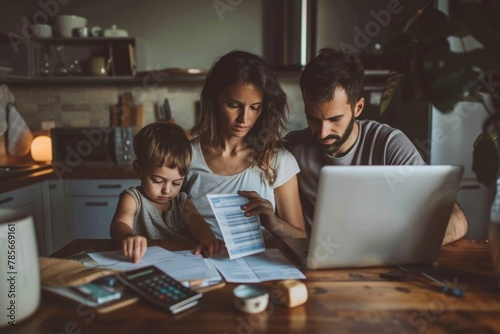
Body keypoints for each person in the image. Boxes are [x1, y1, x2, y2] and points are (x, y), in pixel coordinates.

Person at [284, 47, 468, 245]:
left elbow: (456, 220)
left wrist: (400, 247)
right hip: (315, 264)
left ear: (358, 108)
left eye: (335, 119)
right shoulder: (291, 149)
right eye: (313, 118)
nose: (322, 132)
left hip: (383, 258)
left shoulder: (389, 144)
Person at [182, 50, 307, 240]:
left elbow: (300, 237)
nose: (244, 118)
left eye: (255, 108)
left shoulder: (278, 160)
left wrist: (273, 222)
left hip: (259, 266)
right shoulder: (187, 155)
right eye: (234, 105)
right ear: (215, 100)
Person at [110, 122, 225, 263]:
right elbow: (119, 225)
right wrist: (127, 235)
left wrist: (209, 239)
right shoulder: (133, 199)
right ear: (139, 169)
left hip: (182, 263)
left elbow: (200, 227)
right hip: (145, 264)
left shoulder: (182, 202)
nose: (167, 190)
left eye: (176, 183)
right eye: (158, 181)